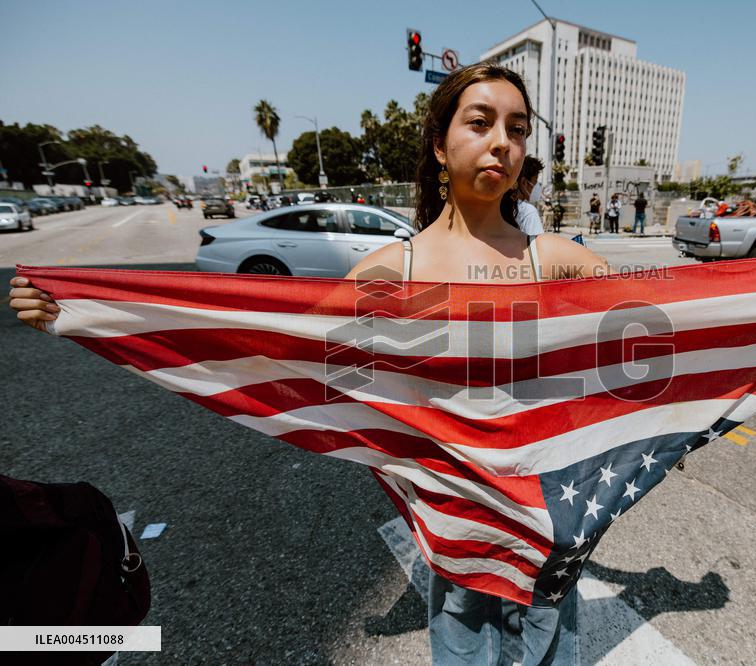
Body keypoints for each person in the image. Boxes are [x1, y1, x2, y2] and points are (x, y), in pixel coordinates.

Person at [10, 63, 609, 666]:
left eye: (518, 128)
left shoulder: (554, 261)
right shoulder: (390, 274)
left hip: (545, 529)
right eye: (480, 122)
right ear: (438, 143)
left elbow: (671, 332)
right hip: (454, 530)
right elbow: (289, 353)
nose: (503, 142)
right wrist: (88, 312)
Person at [514, 155, 545, 236]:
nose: (537, 186)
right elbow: (538, 245)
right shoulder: (528, 212)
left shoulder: (500, 206)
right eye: (536, 181)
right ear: (524, 182)